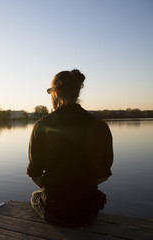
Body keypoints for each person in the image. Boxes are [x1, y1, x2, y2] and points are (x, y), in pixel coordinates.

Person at [26, 69, 113, 227]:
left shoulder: (42, 125)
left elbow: (35, 174)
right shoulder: (100, 126)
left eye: (50, 92)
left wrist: (60, 190)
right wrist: (80, 188)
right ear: (77, 92)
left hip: (55, 212)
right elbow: (104, 174)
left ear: (56, 92)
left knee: (35, 196)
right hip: (88, 213)